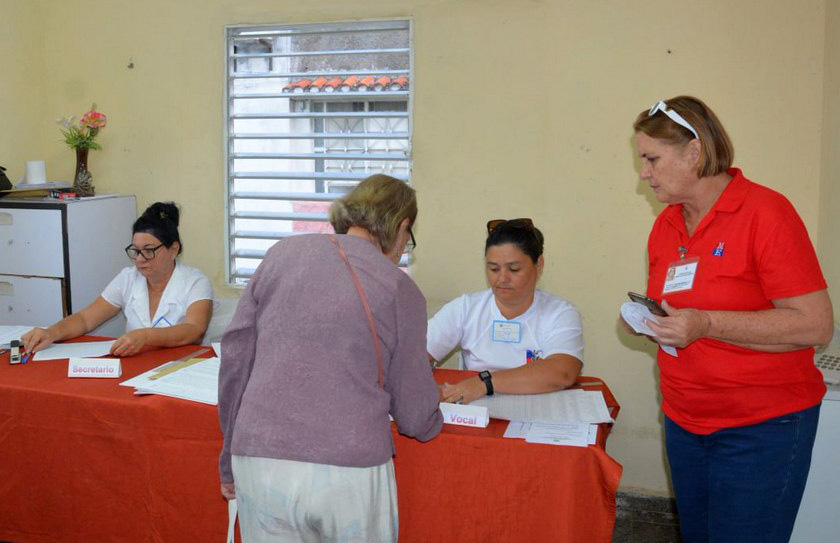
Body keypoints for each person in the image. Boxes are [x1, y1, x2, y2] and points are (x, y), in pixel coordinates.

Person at [624, 96, 834, 543]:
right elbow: (683, 309)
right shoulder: (666, 225)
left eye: (651, 159)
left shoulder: (767, 213)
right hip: (685, 420)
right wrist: (654, 321)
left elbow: (815, 326)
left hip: (761, 428)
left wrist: (706, 324)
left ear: (694, 152)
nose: (644, 173)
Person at [218, 174, 442, 543]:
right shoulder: (399, 288)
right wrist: (435, 418)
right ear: (402, 226)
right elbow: (416, 416)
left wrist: (229, 457)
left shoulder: (280, 255)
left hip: (259, 457)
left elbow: (236, 360)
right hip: (347, 470)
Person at [22, 202, 213, 357]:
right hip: (134, 365)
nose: (139, 259)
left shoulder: (195, 282)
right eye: (135, 250)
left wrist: (146, 337)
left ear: (173, 249)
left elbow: (194, 330)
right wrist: (51, 333)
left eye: (148, 250)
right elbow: (85, 319)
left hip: (177, 367)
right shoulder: (128, 278)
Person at [427, 218, 584, 405]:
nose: (502, 278)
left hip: (537, 412)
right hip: (478, 411)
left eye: (514, 269)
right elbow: (415, 355)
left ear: (539, 265)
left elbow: (563, 372)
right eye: (493, 269)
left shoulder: (560, 313)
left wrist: (484, 383)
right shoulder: (466, 308)